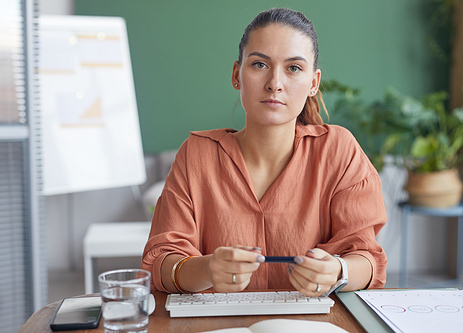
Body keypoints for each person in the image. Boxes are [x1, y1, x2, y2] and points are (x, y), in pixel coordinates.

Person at [141, 8, 387, 297]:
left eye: (294, 68)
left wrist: (338, 271)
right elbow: (160, 262)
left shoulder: (339, 151)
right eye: (259, 65)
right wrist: (206, 269)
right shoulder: (196, 155)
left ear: (313, 83)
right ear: (237, 74)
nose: (275, 83)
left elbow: (368, 259)